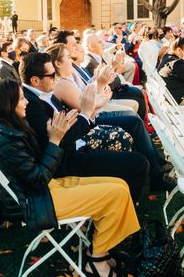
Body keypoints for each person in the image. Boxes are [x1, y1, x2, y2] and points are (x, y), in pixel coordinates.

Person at [0, 79, 140, 277]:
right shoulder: (6, 139)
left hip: (43, 190)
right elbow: (39, 178)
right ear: (9, 104)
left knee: (120, 185)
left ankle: (102, 248)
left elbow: (36, 171)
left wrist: (58, 134)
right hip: (38, 202)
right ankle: (96, 260)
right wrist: (55, 140)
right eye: (21, 99)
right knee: (117, 193)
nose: (26, 102)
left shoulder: (10, 128)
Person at [19, 52, 149, 201]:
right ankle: (121, 208)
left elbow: (68, 123)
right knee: (139, 163)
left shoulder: (41, 94)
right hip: (66, 162)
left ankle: (119, 199)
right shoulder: (31, 104)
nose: (56, 77)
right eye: (52, 75)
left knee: (128, 147)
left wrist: (90, 110)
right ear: (35, 80)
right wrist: (87, 112)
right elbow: (58, 140)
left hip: (75, 147)